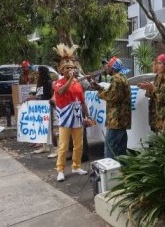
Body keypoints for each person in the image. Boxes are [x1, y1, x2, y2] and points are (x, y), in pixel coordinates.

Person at [52, 43, 91, 182]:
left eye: (72, 68)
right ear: (62, 70)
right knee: (63, 146)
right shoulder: (57, 83)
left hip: (77, 117)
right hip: (64, 119)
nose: (71, 70)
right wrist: (70, 79)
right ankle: (60, 170)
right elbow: (62, 91)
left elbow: (82, 102)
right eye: (67, 68)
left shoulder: (78, 84)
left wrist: (88, 115)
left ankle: (76, 166)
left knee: (78, 145)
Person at [92, 57, 131, 159]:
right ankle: (121, 171)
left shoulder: (116, 79)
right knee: (121, 150)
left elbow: (113, 97)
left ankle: (110, 171)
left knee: (110, 147)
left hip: (116, 120)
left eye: (108, 66)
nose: (106, 68)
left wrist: (100, 92)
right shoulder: (122, 78)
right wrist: (98, 87)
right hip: (121, 120)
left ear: (113, 68)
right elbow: (114, 93)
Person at [138, 54, 165, 133]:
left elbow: (164, 99)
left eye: (159, 63)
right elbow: (151, 96)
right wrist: (148, 88)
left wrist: (152, 88)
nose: (157, 66)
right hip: (156, 119)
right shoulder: (158, 77)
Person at [32, 66, 55, 155]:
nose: (37, 74)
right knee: (43, 127)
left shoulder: (49, 82)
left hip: (47, 107)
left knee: (50, 127)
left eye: (39, 72)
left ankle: (53, 148)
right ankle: (45, 146)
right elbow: (38, 95)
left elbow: (52, 95)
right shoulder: (40, 83)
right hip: (40, 107)